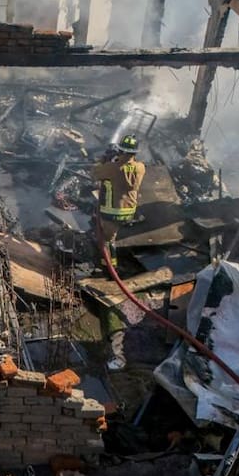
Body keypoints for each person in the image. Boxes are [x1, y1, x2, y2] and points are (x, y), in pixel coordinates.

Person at [90, 134, 146, 371]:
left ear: (120, 152)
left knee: (106, 240)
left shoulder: (113, 169)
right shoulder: (141, 167)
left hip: (111, 215)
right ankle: (110, 260)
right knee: (113, 237)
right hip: (128, 214)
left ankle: (108, 267)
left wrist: (106, 158)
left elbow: (95, 173)